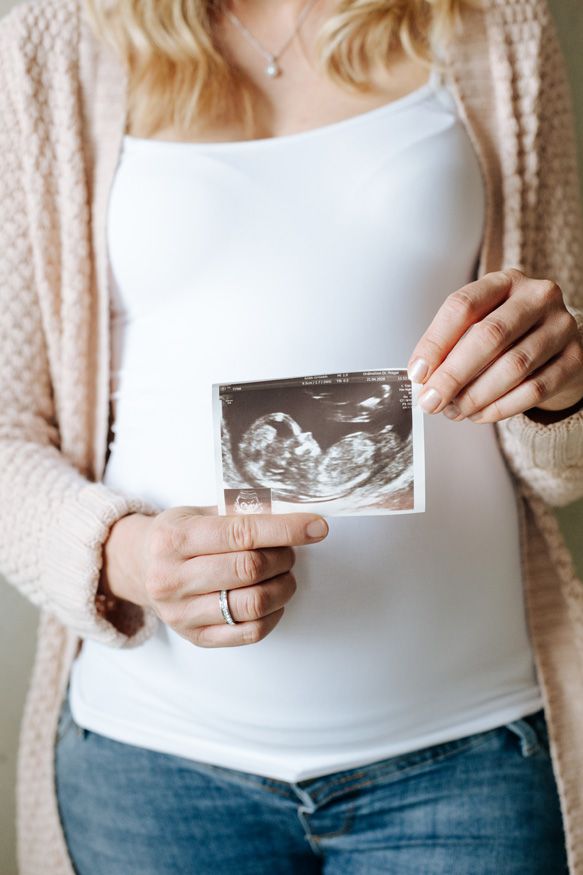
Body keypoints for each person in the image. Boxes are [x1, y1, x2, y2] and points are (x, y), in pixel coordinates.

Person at [1, 0, 583, 872]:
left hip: (469, 756)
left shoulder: (495, 21)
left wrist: (560, 391)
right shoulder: (51, 34)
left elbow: (562, 463)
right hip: (152, 773)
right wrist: (128, 557)